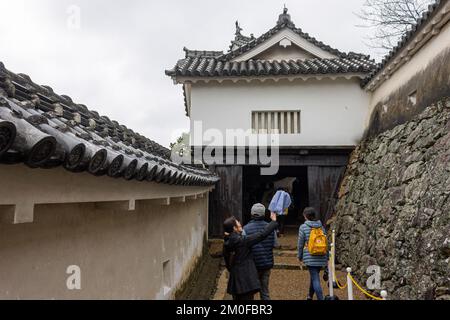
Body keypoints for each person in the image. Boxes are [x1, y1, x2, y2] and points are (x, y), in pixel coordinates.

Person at [223, 212, 278, 300]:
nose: (240, 224)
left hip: (235, 279)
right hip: (246, 279)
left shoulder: (227, 241)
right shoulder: (242, 241)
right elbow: (261, 235)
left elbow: (228, 263)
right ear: (234, 228)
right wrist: (273, 222)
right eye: (238, 223)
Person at [243, 204, 276, 300]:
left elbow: (243, 246)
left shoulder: (245, 228)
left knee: (250, 292)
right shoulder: (270, 227)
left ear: (252, 214)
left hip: (252, 264)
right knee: (265, 292)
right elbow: (275, 244)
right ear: (264, 214)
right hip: (266, 263)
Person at [297, 207, 328, 300]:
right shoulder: (321, 227)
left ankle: (320, 298)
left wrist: (299, 256)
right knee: (314, 276)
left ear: (305, 216)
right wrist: (327, 256)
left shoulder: (303, 227)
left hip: (310, 256)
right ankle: (310, 295)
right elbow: (326, 242)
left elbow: (300, 244)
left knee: (315, 279)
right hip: (321, 256)